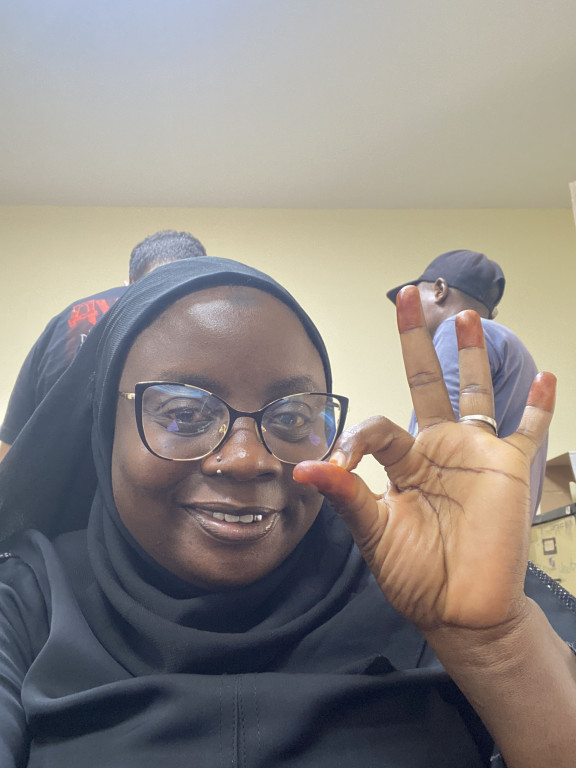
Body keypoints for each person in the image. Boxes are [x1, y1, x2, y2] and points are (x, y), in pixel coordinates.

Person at [0, 257, 574, 768]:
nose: (247, 460)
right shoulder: (29, 600)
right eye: (182, 414)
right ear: (107, 428)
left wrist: (496, 647)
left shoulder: (417, 583)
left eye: (292, 418)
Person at [0, 230, 207, 460]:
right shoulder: (207, 327)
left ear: (128, 283)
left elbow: (11, 441)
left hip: (58, 477)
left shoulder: (66, 321)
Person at [386, 249, 547, 518]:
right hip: (505, 529)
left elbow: (435, 448)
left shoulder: (455, 330)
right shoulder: (510, 346)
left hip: (456, 527)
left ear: (439, 289)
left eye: (417, 294)